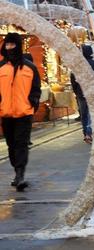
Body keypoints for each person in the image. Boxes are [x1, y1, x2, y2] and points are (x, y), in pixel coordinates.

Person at [0, 33, 41, 191]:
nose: (9, 47)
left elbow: (36, 88)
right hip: (6, 113)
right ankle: (17, 170)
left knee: (21, 143)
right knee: (11, 144)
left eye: (12, 45)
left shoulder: (30, 67)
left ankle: (20, 174)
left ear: (18, 46)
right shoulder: (1, 67)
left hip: (24, 113)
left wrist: (33, 102)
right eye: (7, 44)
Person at [71, 44, 94, 144]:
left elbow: (73, 79)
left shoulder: (77, 63)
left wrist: (76, 90)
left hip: (80, 91)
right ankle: (89, 132)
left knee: (83, 113)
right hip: (92, 91)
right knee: (91, 113)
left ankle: (85, 133)